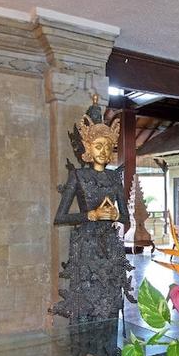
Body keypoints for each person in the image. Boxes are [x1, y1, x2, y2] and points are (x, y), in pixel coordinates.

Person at [52, 115, 134, 325]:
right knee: (86, 302)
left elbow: (126, 217)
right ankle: (83, 342)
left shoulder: (114, 177)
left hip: (111, 247)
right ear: (88, 147)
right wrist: (91, 215)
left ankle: (108, 342)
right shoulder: (78, 176)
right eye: (98, 146)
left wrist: (116, 215)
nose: (103, 151)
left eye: (107, 147)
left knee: (110, 301)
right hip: (86, 246)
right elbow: (60, 217)